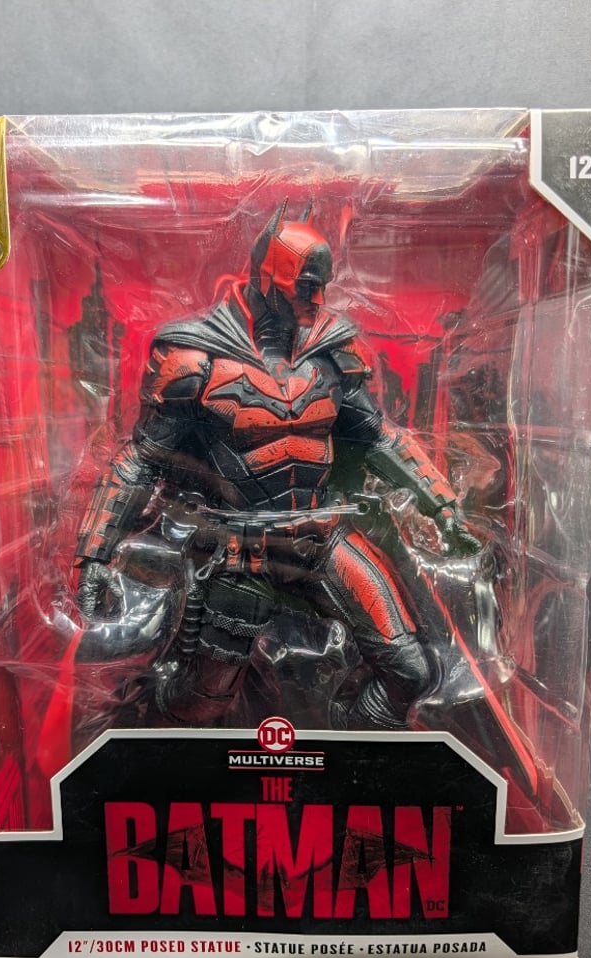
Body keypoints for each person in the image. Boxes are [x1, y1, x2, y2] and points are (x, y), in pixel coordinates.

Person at [74, 203, 480, 728]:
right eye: (305, 285)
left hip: (323, 538)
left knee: (411, 670)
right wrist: (95, 555)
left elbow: (377, 436)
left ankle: (351, 754)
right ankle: (152, 731)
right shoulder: (196, 357)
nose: (317, 299)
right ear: (267, 277)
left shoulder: (331, 351)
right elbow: (143, 460)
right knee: (201, 704)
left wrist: (442, 505)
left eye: (322, 286)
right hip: (242, 549)